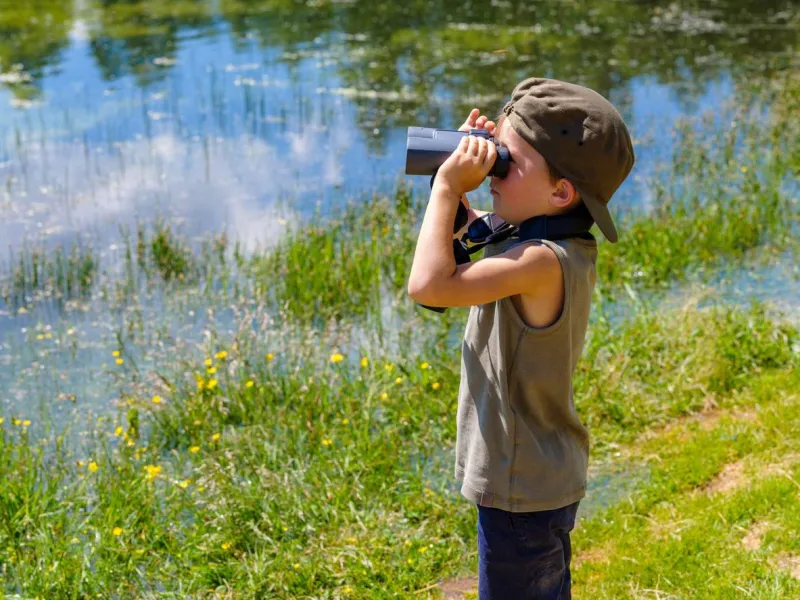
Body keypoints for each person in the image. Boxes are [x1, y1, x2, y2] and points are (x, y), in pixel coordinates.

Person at [407, 77, 635, 599]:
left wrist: (447, 188)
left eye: (506, 160)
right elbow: (455, 247)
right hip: (533, 474)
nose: (495, 166)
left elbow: (429, 285)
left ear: (560, 192)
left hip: (521, 483)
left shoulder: (540, 261)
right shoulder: (541, 236)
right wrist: (454, 185)